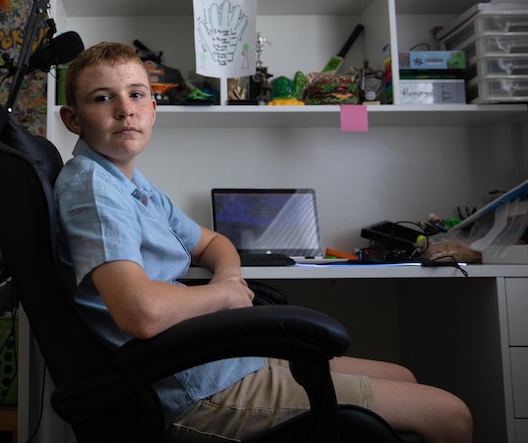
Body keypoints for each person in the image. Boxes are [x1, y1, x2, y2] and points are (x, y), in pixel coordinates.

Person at [54, 41, 472, 443]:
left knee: (404, 378)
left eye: (136, 94)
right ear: (73, 119)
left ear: (153, 109)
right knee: (449, 414)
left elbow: (213, 242)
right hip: (197, 390)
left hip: (214, 359)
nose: (125, 109)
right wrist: (223, 295)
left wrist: (231, 281)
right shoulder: (94, 190)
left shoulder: (129, 183)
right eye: (103, 98)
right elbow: (140, 314)